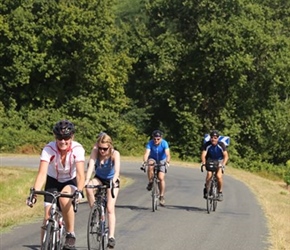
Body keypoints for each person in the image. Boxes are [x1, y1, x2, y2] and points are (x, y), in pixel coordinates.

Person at [26, 120, 85, 250]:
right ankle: (44, 246)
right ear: (55, 137)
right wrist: (35, 192)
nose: (63, 141)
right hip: (53, 180)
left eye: (66, 138)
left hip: (70, 181)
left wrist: (79, 191)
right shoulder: (49, 149)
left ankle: (70, 233)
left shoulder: (77, 149)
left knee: (64, 198)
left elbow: (81, 175)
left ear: (72, 137)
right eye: (59, 138)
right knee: (47, 217)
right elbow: (42, 173)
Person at [85, 133, 120, 249]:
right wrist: (87, 180)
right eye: (100, 148)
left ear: (110, 146)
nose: (102, 151)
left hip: (111, 180)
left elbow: (117, 172)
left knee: (110, 208)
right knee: (89, 187)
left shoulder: (115, 154)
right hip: (99, 178)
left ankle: (111, 237)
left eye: (105, 149)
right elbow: (90, 166)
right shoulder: (95, 151)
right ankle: (95, 211)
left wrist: (113, 181)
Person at [142, 130, 171, 206]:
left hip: (162, 159)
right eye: (154, 139)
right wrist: (145, 162)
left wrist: (167, 161)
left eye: (158, 139)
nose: (156, 141)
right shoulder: (150, 143)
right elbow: (146, 153)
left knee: (161, 178)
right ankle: (151, 182)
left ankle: (161, 196)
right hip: (153, 158)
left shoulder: (164, 143)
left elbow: (167, 154)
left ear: (161, 138)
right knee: (150, 165)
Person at [201, 130, 228, 201]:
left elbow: (226, 156)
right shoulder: (207, 144)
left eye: (215, 138)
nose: (213, 139)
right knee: (209, 175)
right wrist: (203, 162)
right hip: (210, 160)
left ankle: (220, 192)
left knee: (219, 176)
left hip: (219, 161)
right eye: (212, 137)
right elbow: (203, 155)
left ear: (218, 138)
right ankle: (207, 190)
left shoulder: (221, 145)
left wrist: (223, 164)